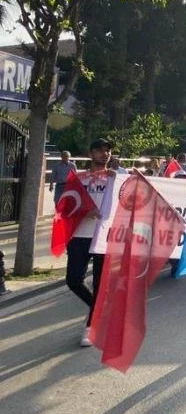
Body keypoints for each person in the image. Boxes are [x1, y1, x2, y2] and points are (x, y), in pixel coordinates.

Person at [65, 139, 116, 347]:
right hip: (80, 236)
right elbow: (66, 205)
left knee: (100, 284)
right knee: (73, 280)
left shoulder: (116, 178)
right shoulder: (78, 178)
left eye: (108, 151)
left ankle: (90, 326)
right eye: (100, 150)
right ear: (90, 153)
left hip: (104, 237)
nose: (105, 154)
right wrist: (84, 211)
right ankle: (98, 309)